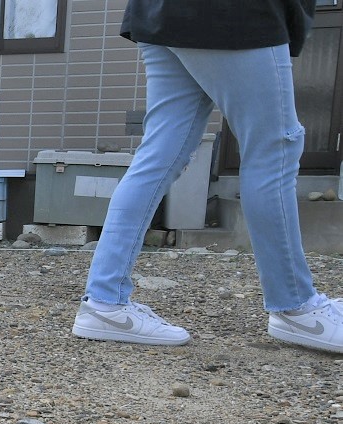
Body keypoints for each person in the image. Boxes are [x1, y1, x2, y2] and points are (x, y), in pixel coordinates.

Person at [72, 0, 343, 354]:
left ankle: (104, 302)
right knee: (273, 150)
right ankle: (296, 307)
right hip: (232, 14)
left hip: (161, 13)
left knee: (160, 153)